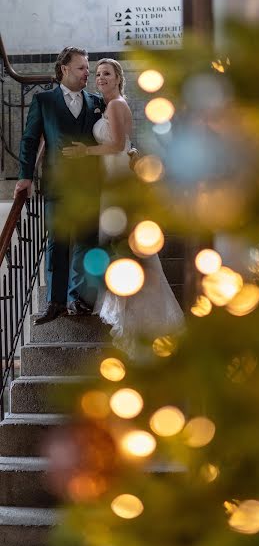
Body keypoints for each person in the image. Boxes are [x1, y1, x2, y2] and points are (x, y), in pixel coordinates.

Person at [63, 59, 184, 359]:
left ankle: (137, 313)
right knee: (114, 241)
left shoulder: (116, 105)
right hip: (111, 177)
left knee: (120, 241)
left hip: (117, 179)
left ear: (118, 79)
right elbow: (126, 145)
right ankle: (126, 303)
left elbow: (117, 145)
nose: (100, 78)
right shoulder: (109, 106)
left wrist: (85, 151)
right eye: (99, 74)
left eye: (107, 74)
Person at [14, 46, 103, 324]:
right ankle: (56, 302)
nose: (87, 73)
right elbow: (30, 140)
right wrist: (25, 176)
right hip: (57, 185)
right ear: (64, 69)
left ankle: (82, 299)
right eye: (81, 68)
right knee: (58, 243)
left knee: (87, 243)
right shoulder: (44, 101)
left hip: (90, 185)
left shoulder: (97, 101)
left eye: (88, 68)